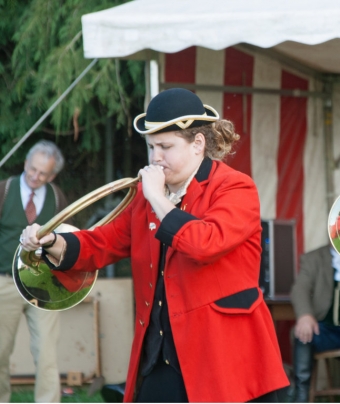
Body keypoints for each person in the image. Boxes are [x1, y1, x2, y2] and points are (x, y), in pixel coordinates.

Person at [19, 88, 289, 402]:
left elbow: (205, 244)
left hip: (226, 356)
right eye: (151, 147)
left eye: (165, 147)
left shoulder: (235, 187)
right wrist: (52, 241)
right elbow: (103, 241)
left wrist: (159, 199)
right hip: (161, 353)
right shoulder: (147, 198)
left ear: (198, 144)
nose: (155, 157)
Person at [0, 140, 66, 403]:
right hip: (4, 283)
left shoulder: (57, 197)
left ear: (52, 175)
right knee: (0, 353)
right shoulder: (4, 190)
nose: (35, 176)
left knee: (47, 354)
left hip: (44, 284)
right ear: (25, 162)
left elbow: (67, 239)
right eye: (32, 169)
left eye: (43, 173)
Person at [289, 245, 340, 402]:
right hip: (324, 330)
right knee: (302, 333)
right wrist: (305, 315)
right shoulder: (313, 258)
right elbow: (300, 289)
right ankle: (301, 395)